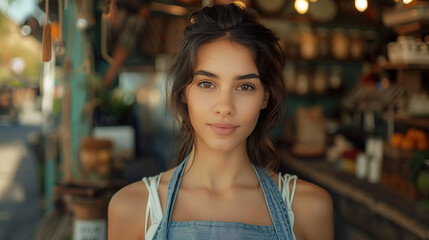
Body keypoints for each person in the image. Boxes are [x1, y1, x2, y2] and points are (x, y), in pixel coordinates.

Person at [108, 3, 333, 240]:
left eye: (245, 86)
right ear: (185, 92)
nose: (225, 107)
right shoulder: (132, 208)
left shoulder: (309, 208)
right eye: (207, 83)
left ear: (265, 97)